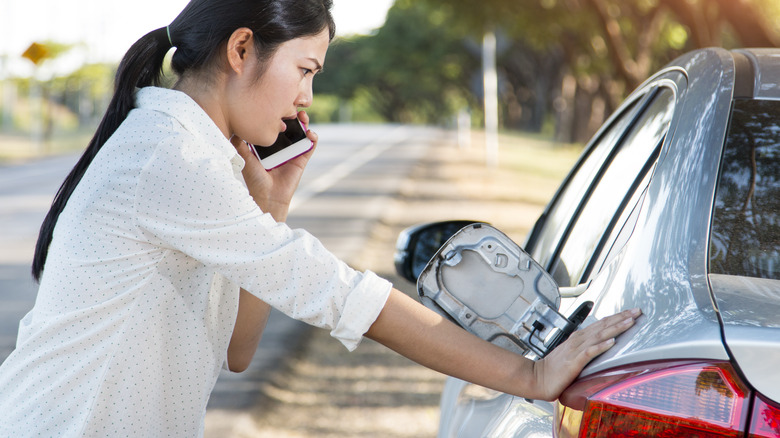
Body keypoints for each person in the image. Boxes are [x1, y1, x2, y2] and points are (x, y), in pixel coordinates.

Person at [0, 0, 641, 436]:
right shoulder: (169, 157)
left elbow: (239, 350)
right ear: (242, 49)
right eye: (304, 71)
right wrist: (530, 374)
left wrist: (272, 206)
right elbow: (344, 296)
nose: (306, 99)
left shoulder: (201, 159)